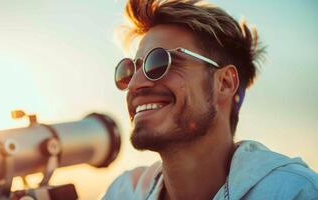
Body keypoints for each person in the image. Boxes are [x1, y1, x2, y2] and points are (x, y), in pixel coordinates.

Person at [104, 0, 318, 199]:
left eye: (159, 62)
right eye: (129, 70)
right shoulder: (123, 192)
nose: (133, 84)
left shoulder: (295, 192)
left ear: (224, 83)